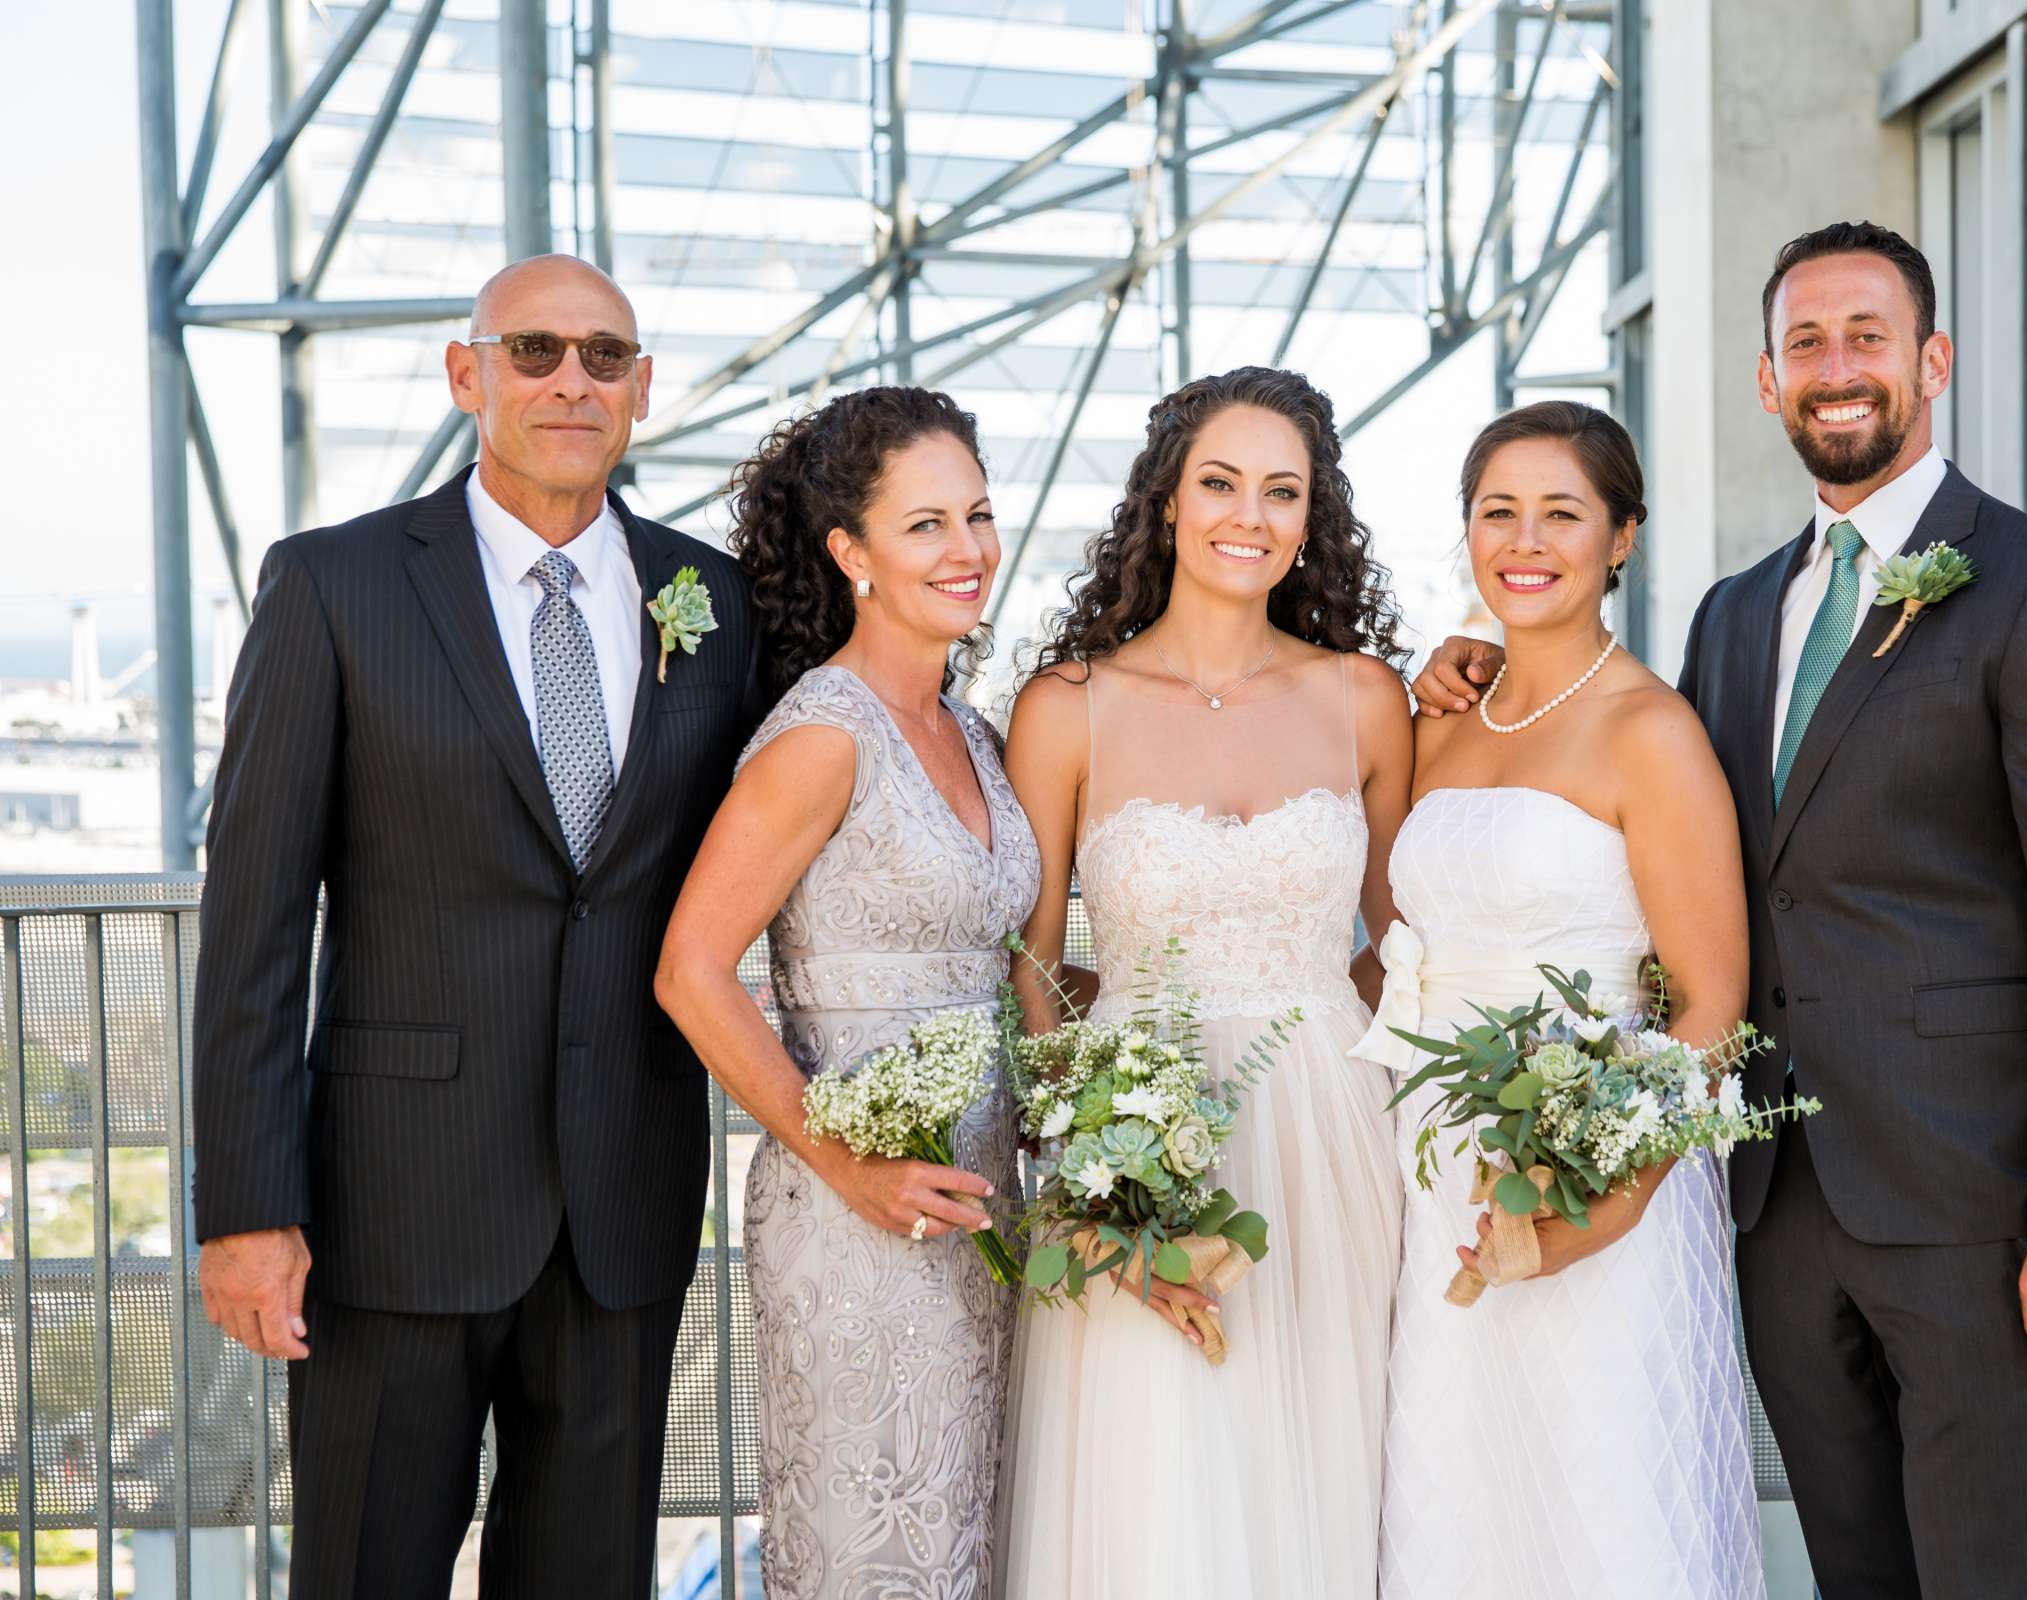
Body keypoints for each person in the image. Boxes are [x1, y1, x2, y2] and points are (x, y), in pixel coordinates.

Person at [1413, 220, 2027, 1598]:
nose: (1836, 368)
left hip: (1976, 1205)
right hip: (1771, 1204)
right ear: (1767, 382)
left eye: (1865, 337)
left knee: (2003, 1576)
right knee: (1855, 1574)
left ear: (1930, 362)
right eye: (1804, 343)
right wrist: (1478, 677)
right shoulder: (1731, 615)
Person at [192, 255, 759, 1595]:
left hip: (622, 1203)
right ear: (469, 374)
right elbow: (256, 919)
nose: (573, 381)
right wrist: (249, 1208)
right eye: (537, 351)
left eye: (604, 357)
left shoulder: (715, 601)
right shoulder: (335, 586)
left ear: (642, 391)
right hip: (395, 1208)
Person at [1000, 367, 1414, 1598]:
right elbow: (1026, 963)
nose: (1251, 513)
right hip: (1132, 1145)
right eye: (1222, 482)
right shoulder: (1067, 707)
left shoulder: (1366, 700)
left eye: (1283, 491)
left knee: (1331, 1478)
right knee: (1155, 1493)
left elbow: (1405, 939)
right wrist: (1091, 1159)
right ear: (1167, 503)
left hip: (1333, 1144)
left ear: (1312, 519)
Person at [1361, 401, 1764, 1597]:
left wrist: (1607, 1192)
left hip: (1600, 1188)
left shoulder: (1652, 731)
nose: (1525, 541)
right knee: (1460, 1506)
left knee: (1601, 1509)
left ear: (1622, 537)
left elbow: (1710, 1010)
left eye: (1562, 513)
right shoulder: (1437, 720)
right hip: (1436, 1176)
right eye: (1498, 511)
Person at [654, 386, 1037, 1596]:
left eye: (976, 515)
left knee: (975, 1540)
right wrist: (845, 1160)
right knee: (880, 1547)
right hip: (856, 1217)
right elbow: (689, 970)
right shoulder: (824, 734)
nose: (967, 549)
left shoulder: (975, 735)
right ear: (850, 552)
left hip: (987, 1202)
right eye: (925, 524)